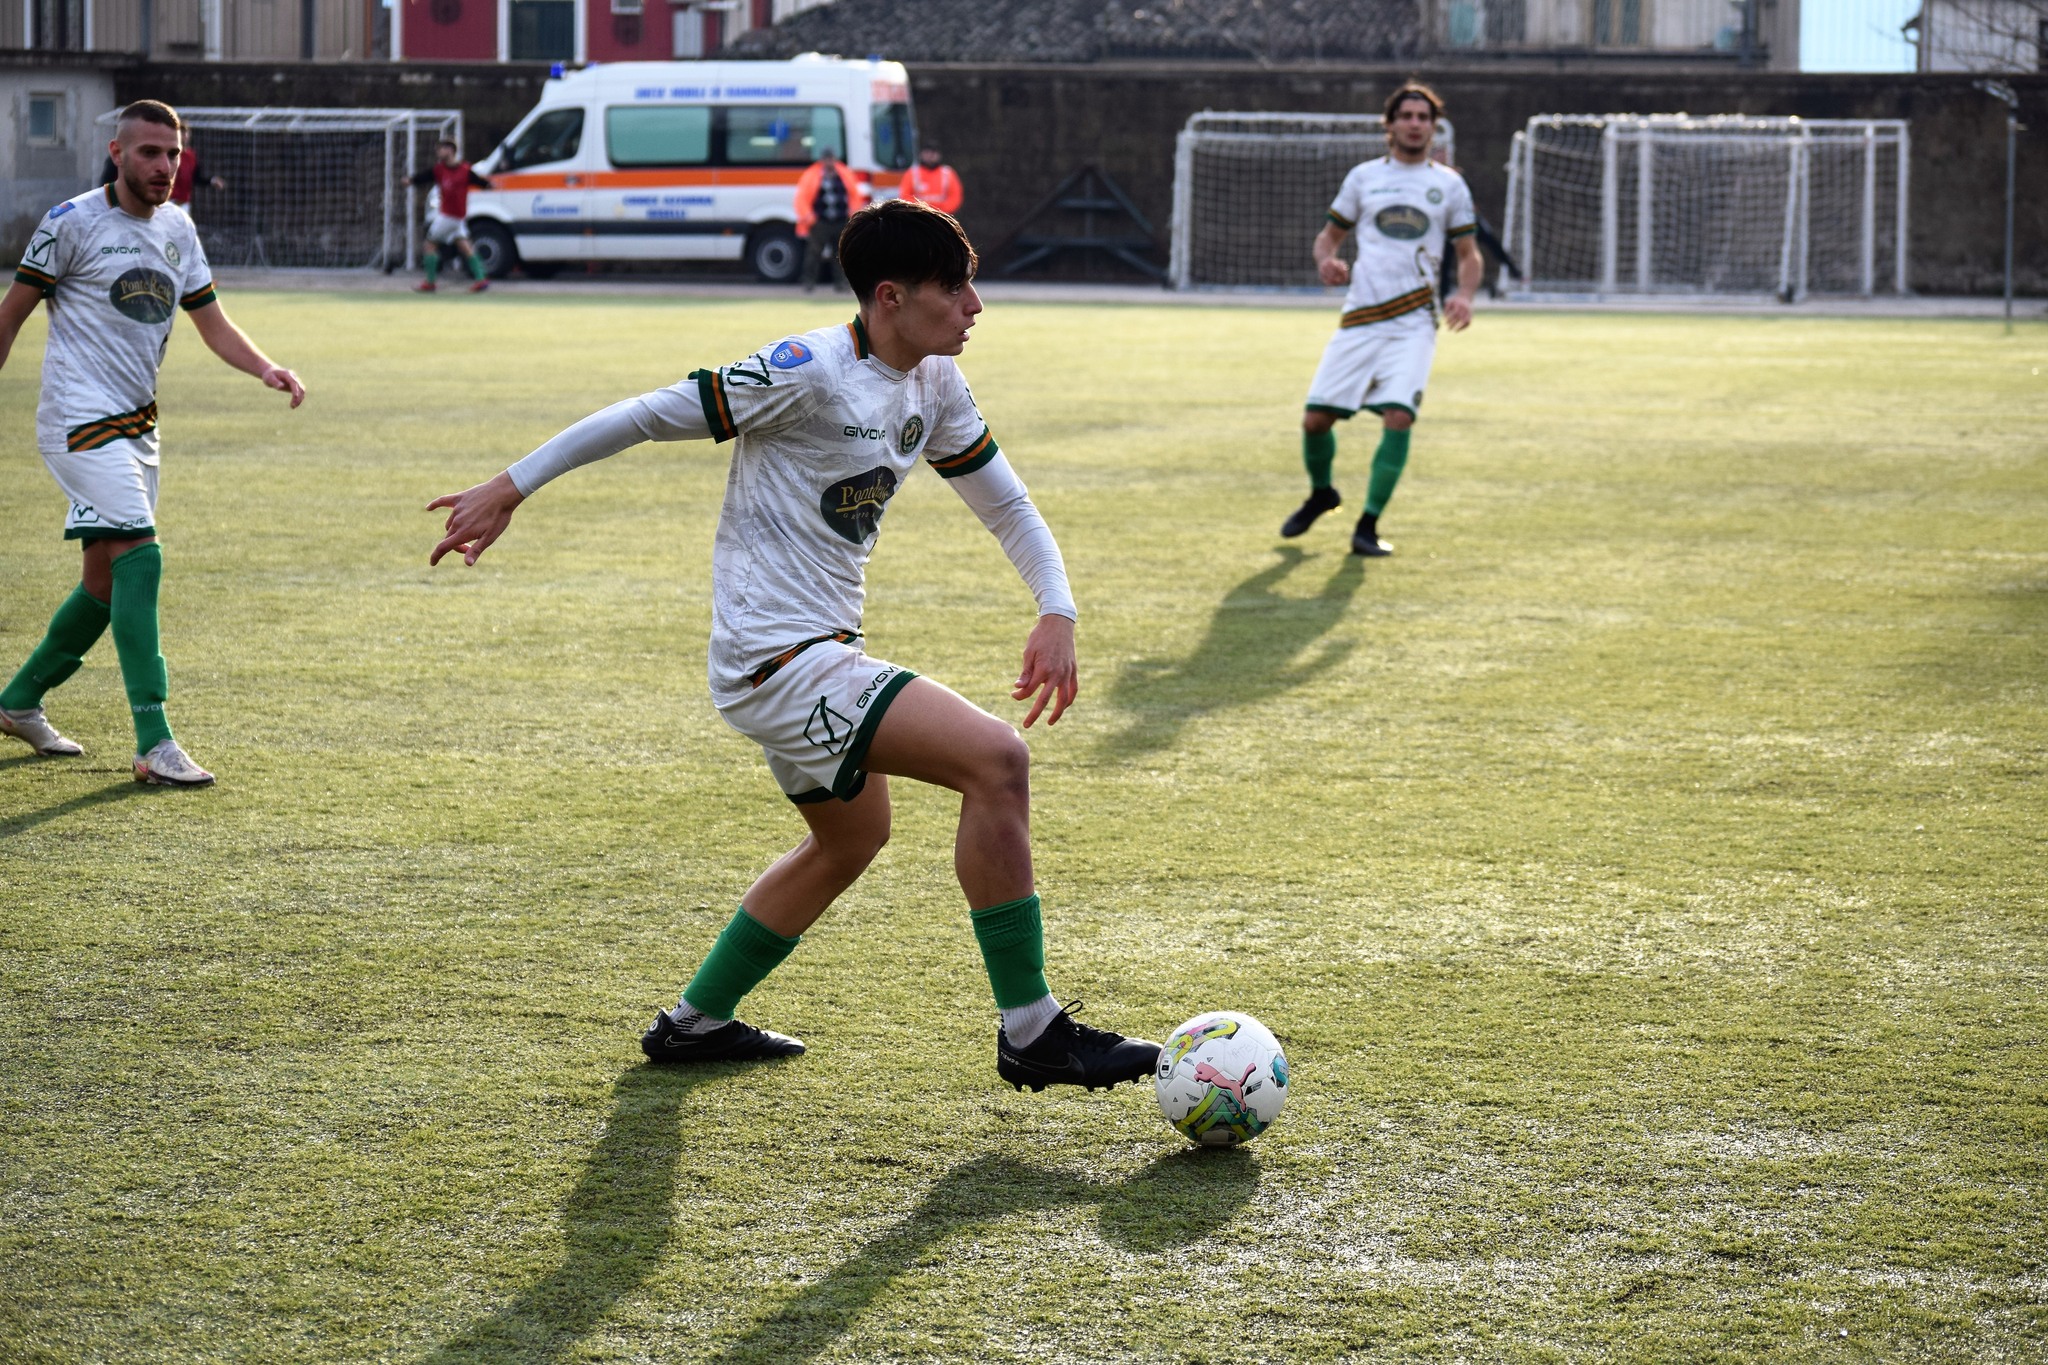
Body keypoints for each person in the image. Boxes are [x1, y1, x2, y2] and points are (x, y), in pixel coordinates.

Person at [426, 198, 1160, 1090]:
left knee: (851, 839)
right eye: (954, 288)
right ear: (890, 297)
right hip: (776, 661)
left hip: (816, 652)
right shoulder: (806, 370)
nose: (975, 306)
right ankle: (1034, 1030)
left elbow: (1005, 503)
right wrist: (511, 485)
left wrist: (1057, 609)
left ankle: (694, 1021)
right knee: (997, 761)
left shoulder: (933, 383)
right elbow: (649, 414)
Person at [0, 100, 306, 785]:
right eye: (149, 152)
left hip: (138, 424)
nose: (164, 166)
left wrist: (264, 367)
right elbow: (11, 314)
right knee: (141, 555)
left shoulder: (178, 227)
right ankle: (153, 741)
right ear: (116, 152)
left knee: (103, 582)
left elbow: (212, 321)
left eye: (173, 154)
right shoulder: (70, 222)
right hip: (78, 420)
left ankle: (17, 702)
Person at [1280, 82, 1481, 557]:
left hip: (1414, 321)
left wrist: (1465, 294)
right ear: (1389, 124)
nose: (1415, 124)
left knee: (1399, 415)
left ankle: (1367, 526)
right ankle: (1322, 494)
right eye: (1406, 116)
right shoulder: (1364, 178)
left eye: (1423, 117)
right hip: (1362, 316)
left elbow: (1468, 254)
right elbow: (1328, 238)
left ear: (1433, 127)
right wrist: (1326, 262)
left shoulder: (1449, 185)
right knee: (1315, 420)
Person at [409, 140, 492, 293]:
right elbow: (424, 177)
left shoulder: (464, 169)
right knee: (466, 247)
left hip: (449, 217)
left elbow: (478, 181)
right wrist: (411, 180)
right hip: (458, 220)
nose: (438, 152)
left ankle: (430, 282)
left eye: (441, 149)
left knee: (429, 245)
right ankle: (481, 279)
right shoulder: (439, 169)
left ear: (450, 150)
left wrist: (488, 185)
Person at [793, 147, 863, 293]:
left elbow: (854, 194)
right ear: (822, 160)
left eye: (831, 159)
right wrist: (809, 218)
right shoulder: (812, 175)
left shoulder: (844, 173)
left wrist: (852, 214)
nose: (829, 162)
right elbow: (801, 198)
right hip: (820, 221)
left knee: (840, 255)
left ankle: (841, 284)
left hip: (841, 220)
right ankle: (809, 282)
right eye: (827, 159)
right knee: (814, 253)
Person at [902, 144, 964, 216]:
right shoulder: (912, 173)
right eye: (927, 152)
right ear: (921, 154)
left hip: (942, 216)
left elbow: (955, 196)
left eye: (933, 153)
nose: (930, 156)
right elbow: (905, 196)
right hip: (919, 216)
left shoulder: (947, 173)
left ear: (939, 155)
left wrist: (941, 211)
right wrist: (918, 210)